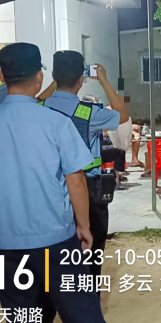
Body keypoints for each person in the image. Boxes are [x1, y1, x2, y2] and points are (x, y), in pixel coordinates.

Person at [0, 43, 110, 323]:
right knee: (84, 318)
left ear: (1, 77)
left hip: (7, 246)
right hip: (57, 241)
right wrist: (84, 226)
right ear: (39, 78)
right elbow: (76, 180)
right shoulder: (56, 124)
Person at [44, 51, 128, 279]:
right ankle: (88, 295)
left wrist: (57, 81)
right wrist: (104, 81)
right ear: (81, 80)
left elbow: (39, 99)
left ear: (54, 75)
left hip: (49, 190)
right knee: (91, 255)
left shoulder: (41, 108)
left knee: (54, 256)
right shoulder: (88, 112)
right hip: (88, 190)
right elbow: (121, 115)